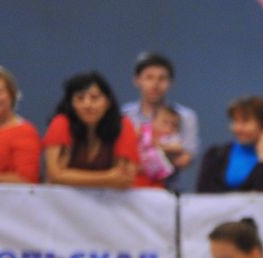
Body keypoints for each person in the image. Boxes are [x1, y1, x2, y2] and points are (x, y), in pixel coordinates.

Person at [44, 71, 143, 189]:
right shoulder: (61, 123)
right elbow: (54, 176)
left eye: (94, 98)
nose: (87, 105)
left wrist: (69, 176)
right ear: (71, 104)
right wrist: (108, 177)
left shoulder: (123, 125)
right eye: (80, 98)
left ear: (108, 102)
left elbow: (125, 179)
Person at [121, 52, 199, 181]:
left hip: (170, 190)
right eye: (149, 77)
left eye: (162, 79)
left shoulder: (185, 116)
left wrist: (149, 156)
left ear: (171, 82)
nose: (155, 84)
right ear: (137, 80)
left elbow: (185, 159)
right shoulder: (124, 115)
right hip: (131, 189)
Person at [196, 97, 263, 193]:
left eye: (245, 121)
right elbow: (203, 192)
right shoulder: (216, 155)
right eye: (235, 121)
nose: (237, 128)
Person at [135, 106, 183, 187]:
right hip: (139, 171)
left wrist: (162, 146)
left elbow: (178, 147)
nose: (169, 127)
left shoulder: (170, 137)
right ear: (153, 121)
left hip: (159, 175)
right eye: (165, 122)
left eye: (174, 125)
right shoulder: (144, 130)